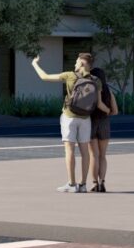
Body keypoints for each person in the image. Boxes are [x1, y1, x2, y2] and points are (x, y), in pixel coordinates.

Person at [30, 52, 99, 193]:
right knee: (85, 152)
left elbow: (45, 77)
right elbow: (97, 101)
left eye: (76, 62)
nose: (74, 64)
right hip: (86, 118)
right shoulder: (96, 80)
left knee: (69, 150)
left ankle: (72, 184)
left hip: (69, 116)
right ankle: (83, 185)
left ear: (82, 63)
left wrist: (34, 63)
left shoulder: (70, 76)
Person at [88, 71, 120, 192]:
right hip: (104, 123)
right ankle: (102, 183)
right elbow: (115, 111)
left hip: (91, 122)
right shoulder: (108, 91)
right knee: (102, 155)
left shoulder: (90, 90)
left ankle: (95, 183)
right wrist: (107, 112)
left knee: (94, 155)